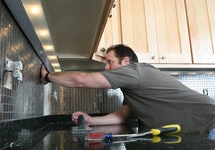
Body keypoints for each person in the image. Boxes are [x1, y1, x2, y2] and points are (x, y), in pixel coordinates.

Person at [41, 44, 215, 139]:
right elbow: (122, 116)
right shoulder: (133, 88)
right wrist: (90, 119)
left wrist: (48, 76)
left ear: (125, 62)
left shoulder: (135, 72)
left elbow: (79, 79)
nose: (106, 68)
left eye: (110, 62)